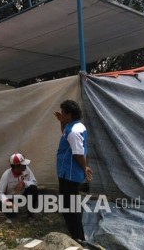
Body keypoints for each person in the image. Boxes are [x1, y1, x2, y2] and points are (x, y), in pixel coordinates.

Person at [54, 100, 93, 242]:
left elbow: (78, 154)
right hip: (67, 172)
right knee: (69, 205)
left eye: (63, 112)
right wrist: (61, 122)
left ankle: (78, 238)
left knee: (69, 208)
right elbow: (64, 134)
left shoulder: (74, 131)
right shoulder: (75, 126)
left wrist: (85, 167)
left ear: (69, 114)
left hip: (69, 174)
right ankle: (76, 234)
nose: (61, 114)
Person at [0, 153, 38, 222]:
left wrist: (24, 183)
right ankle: (10, 214)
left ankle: (31, 214)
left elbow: (34, 182)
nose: (25, 165)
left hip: (22, 196)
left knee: (33, 188)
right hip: (11, 198)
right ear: (16, 166)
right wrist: (7, 202)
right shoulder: (6, 175)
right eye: (23, 164)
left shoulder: (26, 169)